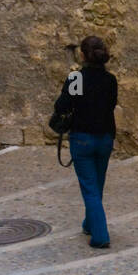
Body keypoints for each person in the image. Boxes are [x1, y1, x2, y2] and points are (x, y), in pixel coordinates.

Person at [54, 35, 118, 249]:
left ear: (82, 55)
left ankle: (100, 235)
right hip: (105, 138)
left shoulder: (77, 80)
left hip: (82, 138)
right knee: (96, 183)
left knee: (90, 187)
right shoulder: (110, 81)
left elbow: (63, 105)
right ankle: (89, 223)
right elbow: (110, 105)